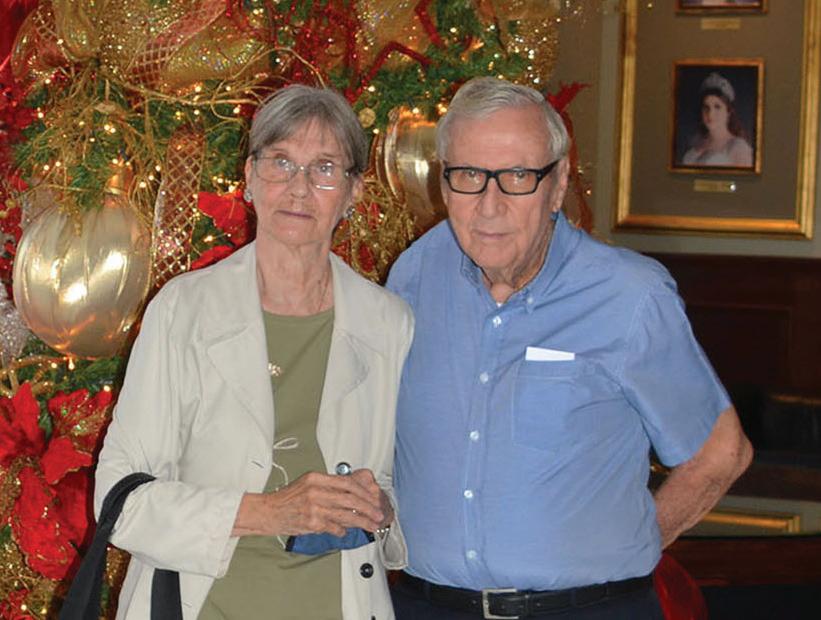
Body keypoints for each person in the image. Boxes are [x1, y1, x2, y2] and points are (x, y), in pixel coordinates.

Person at [386, 76, 753, 619]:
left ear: (557, 185)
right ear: (443, 183)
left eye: (517, 176)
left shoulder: (628, 296)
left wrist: (632, 545)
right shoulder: (415, 274)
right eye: (468, 175)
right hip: (427, 606)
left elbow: (722, 453)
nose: (489, 205)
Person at [94, 84, 413, 619]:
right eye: (281, 162)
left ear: (354, 192)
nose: (299, 188)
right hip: (205, 605)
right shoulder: (183, 310)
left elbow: (398, 485)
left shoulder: (389, 323)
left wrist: (382, 510)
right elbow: (119, 500)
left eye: (325, 168)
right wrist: (269, 512)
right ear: (248, 178)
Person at [681, 71, 754, 167]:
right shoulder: (695, 144)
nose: (710, 114)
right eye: (706, 107)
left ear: (728, 112)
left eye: (717, 107)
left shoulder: (738, 147)